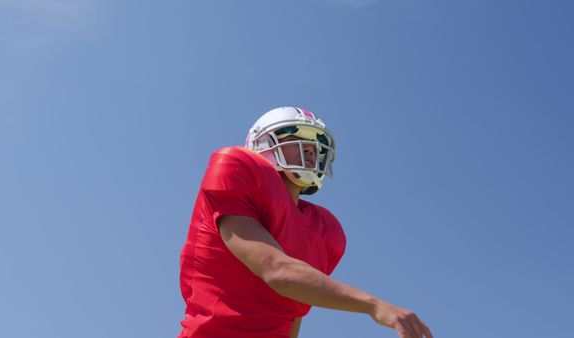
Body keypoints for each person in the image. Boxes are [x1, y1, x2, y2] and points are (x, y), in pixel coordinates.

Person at [178, 107, 433, 338]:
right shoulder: (237, 169)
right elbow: (277, 270)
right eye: (297, 137)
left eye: (316, 144)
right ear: (264, 144)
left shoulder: (324, 230)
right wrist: (374, 306)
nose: (311, 149)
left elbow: (293, 311)